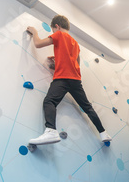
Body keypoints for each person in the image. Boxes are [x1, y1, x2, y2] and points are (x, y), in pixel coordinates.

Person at [26, 15, 112, 145]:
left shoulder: (59, 35)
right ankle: (104, 133)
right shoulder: (75, 44)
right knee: (88, 107)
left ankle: (51, 131)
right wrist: (58, 60)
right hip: (76, 80)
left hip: (62, 78)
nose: (53, 34)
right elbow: (76, 63)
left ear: (57, 26)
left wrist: (34, 32)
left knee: (49, 101)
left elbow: (37, 44)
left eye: (53, 31)